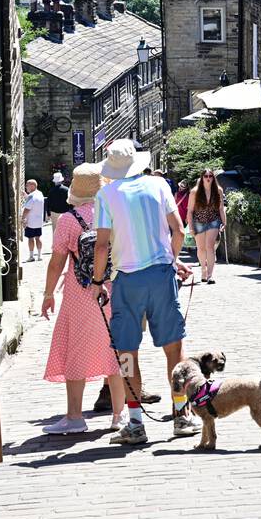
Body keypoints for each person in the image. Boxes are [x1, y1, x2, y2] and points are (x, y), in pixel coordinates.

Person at [89, 139, 198, 446]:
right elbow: (180, 230)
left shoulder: (106, 195)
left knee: (126, 352)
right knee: (174, 350)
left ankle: (135, 422)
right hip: (161, 276)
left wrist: (98, 282)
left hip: (126, 280)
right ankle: (182, 414)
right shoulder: (159, 185)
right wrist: (172, 260)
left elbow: (101, 245)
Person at [39, 163, 127, 434]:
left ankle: (75, 417)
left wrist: (48, 293)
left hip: (80, 291)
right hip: (114, 289)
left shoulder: (68, 220)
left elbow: (56, 263)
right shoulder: (116, 216)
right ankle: (119, 415)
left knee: (75, 347)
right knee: (118, 349)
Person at [188, 168, 227, 284]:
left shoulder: (218, 190)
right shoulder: (195, 192)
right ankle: (203, 270)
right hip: (199, 221)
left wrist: (224, 222)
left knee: (210, 247)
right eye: (206, 176)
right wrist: (190, 227)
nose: (208, 178)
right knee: (201, 248)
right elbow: (190, 211)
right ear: (202, 178)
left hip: (213, 221)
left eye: (210, 176)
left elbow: (221, 208)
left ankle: (210, 275)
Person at [22, 179, 46, 262]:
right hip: (38, 221)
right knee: (38, 238)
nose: (26, 187)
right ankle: (39, 256)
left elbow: (27, 209)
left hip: (30, 222)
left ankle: (31, 256)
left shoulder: (31, 196)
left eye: (27, 185)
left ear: (32, 186)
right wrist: (26, 196)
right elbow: (34, 202)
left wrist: (23, 219)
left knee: (30, 239)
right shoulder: (40, 193)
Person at [45, 171, 70, 236]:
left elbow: (48, 203)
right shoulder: (66, 190)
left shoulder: (51, 191)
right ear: (61, 180)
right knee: (65, 230)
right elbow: (70, 202)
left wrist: (48, 213)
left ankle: (56, 244)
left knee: (55, 230)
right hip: (65, 213)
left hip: (54, 213)